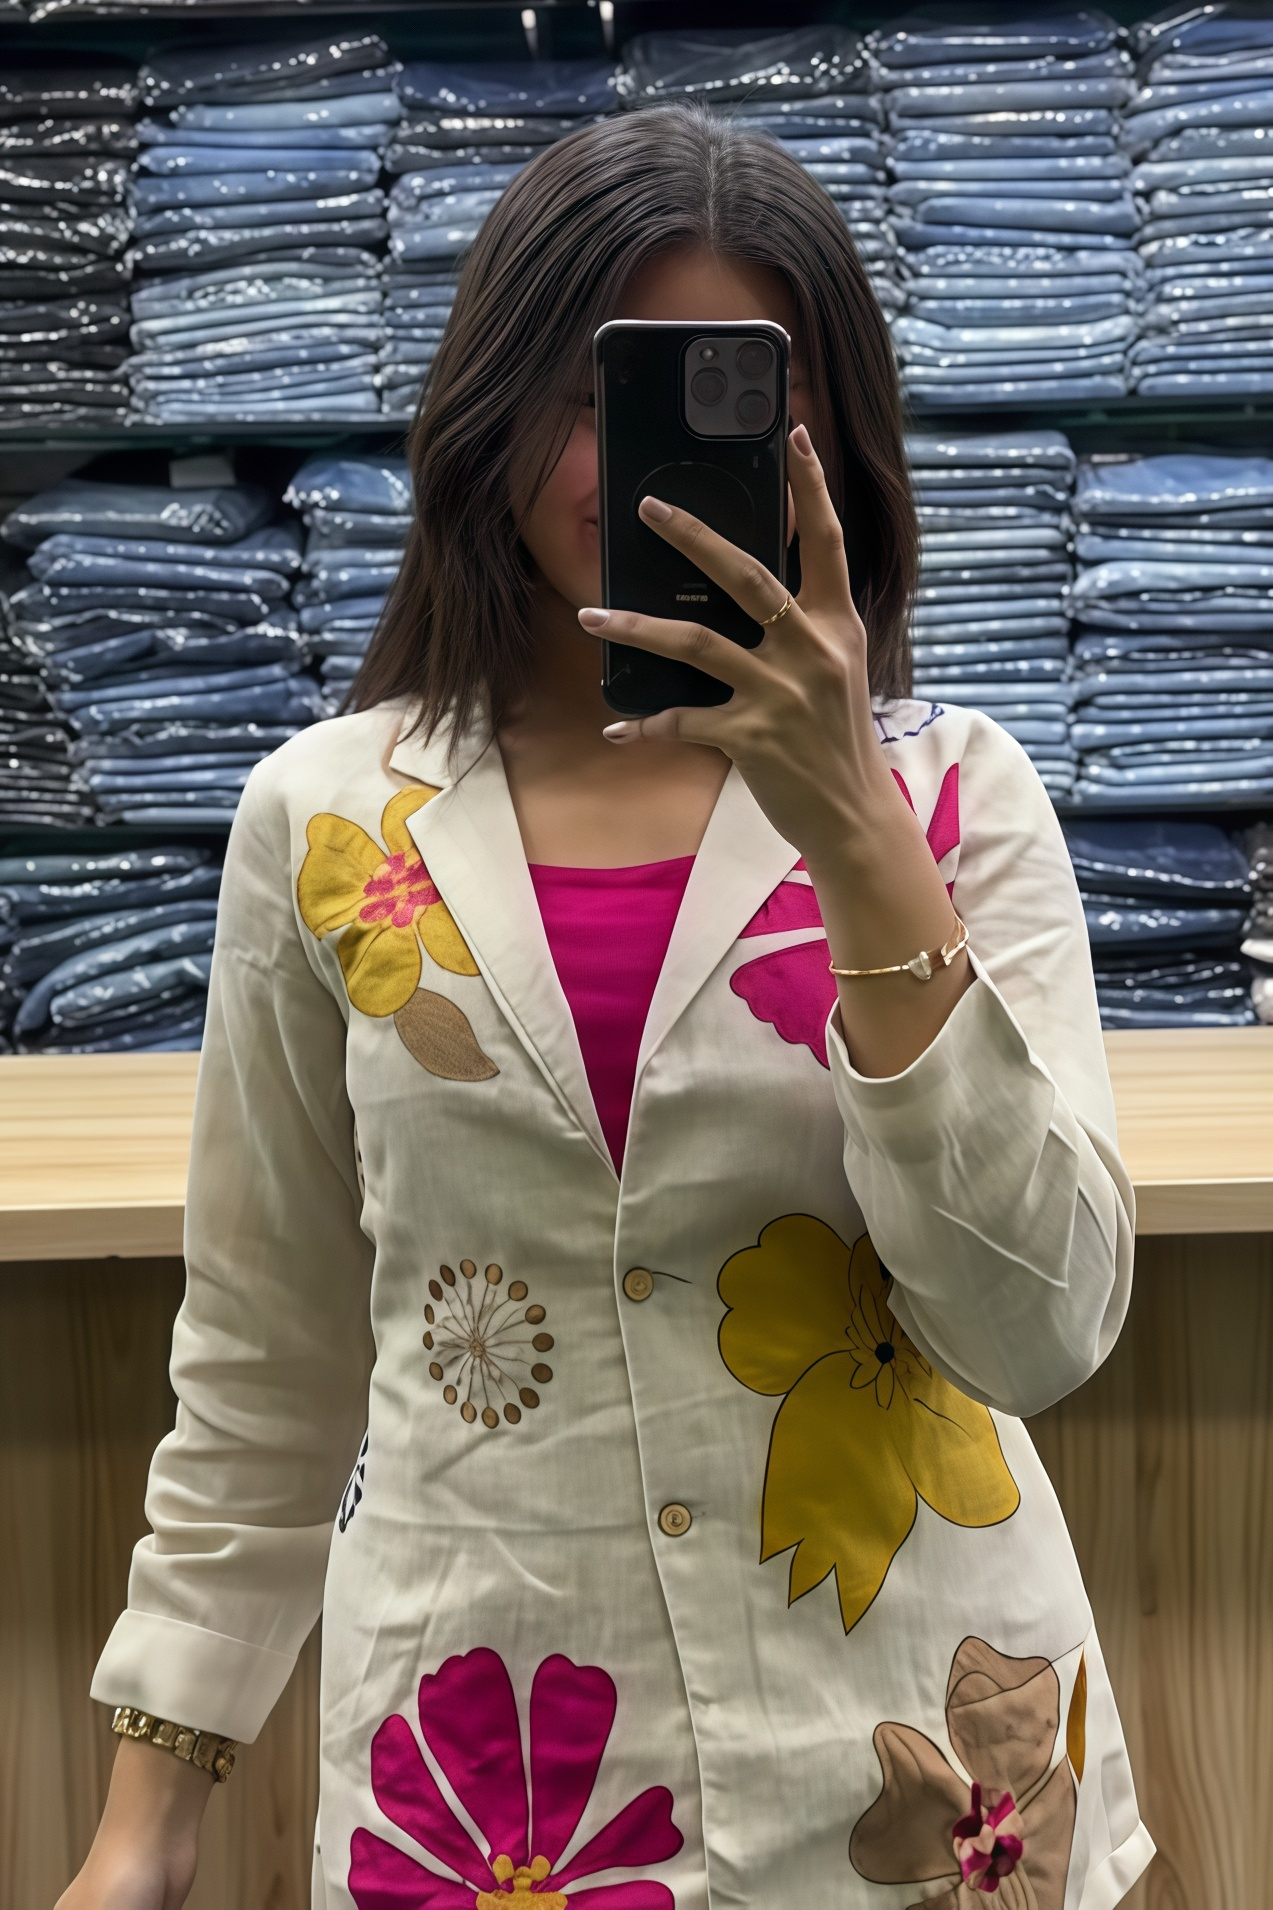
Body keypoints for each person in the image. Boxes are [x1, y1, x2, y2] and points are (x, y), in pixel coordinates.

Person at [63, 105, 1153, 1910]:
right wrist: (145, 1816)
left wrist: (856, 840)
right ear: (491, 406)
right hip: (493, 1794)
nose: (627, 459)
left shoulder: (956, 802)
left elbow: (1036, 1331)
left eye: (733, 398)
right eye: (594, 391)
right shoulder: (327, 823)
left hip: (917, 1790)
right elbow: (265, 1359)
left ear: (830, 445)